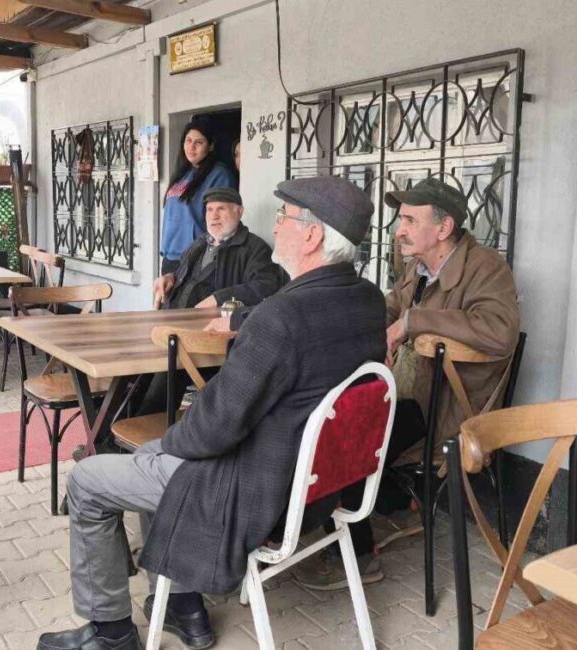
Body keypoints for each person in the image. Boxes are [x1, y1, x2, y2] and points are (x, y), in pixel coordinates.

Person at [36, 176, 385, 650]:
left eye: (284, 218)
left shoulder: (281, 317)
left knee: (92, 479)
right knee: (151, 455)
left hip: (254, 493)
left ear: (312, 235)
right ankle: (182, 604)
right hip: (319, 490)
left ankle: (110, 630)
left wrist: (162, 448)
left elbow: (213, 430)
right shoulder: (368, 301)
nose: (276, 226)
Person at [294, 177, 521, 591]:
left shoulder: (486, 267)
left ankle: (360, 556)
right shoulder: (419, 269)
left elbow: (500, 331)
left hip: (450, 405)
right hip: (410, 392)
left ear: (444, 227)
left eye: (409, 220)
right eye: (401, 219)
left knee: (347, 433)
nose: (398, 229)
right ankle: (391, 504)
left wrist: (413, 323)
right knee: (321, 411)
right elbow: (391, 309)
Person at [140, 186, 285, 417]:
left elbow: (266, 286)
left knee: (163, 370)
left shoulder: (254, 248)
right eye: (209, 210)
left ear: (239, 212)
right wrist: (169, 278)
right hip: (173, 327)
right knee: (137, 367)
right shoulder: (200, 243)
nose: (214, 216)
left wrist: (219, 297)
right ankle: (112, 431)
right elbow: (185, 274)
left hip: (205, 340)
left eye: (221, 209)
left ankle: (143, 436)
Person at [159, 120, 236, 275]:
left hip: (196, 260)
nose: (191, 147)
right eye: (188, 141)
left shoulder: (219, 174)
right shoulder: (182, 173)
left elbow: (222, 220)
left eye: (199, 142)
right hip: (170, 257)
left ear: (210, 146)